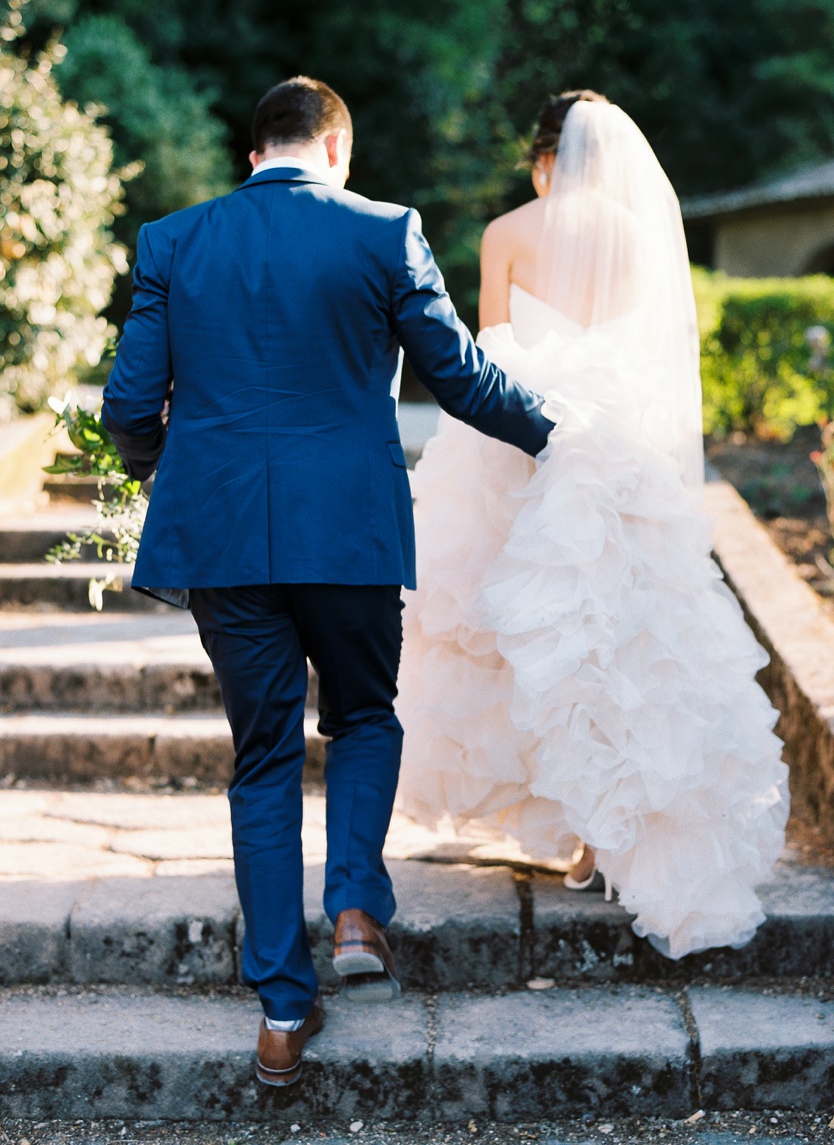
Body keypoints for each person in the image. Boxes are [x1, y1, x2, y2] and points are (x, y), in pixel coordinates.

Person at [101, 77, 554, 1086]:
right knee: (363, 716)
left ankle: (279, 1011)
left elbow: (129, 402)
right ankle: (354, 911)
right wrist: (561, 438)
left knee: (262, 757)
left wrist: (159, 468)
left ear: (252, 151)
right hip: (349, 532)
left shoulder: (174, 241)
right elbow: (463, 376)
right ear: (336, 149)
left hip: (226, 540)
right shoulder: (386, 232)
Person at [395, 92, 790, 960]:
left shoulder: (506, 232)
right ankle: (598, 833)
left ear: (543, 161)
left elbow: (488, 353)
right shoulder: (643, 234)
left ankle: (559, 813)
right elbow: (655, 354)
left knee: (517, 637)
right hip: (616, 446)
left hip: (521, 444)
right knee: (619, 640)